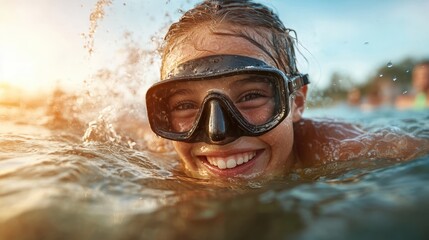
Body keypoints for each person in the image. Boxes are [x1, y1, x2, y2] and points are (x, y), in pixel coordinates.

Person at [145, 0, 428, 180]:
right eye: (184, 105)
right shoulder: (157, 160)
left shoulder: (342, 150)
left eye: (251, 96)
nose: (218, 133)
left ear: (297, 103)